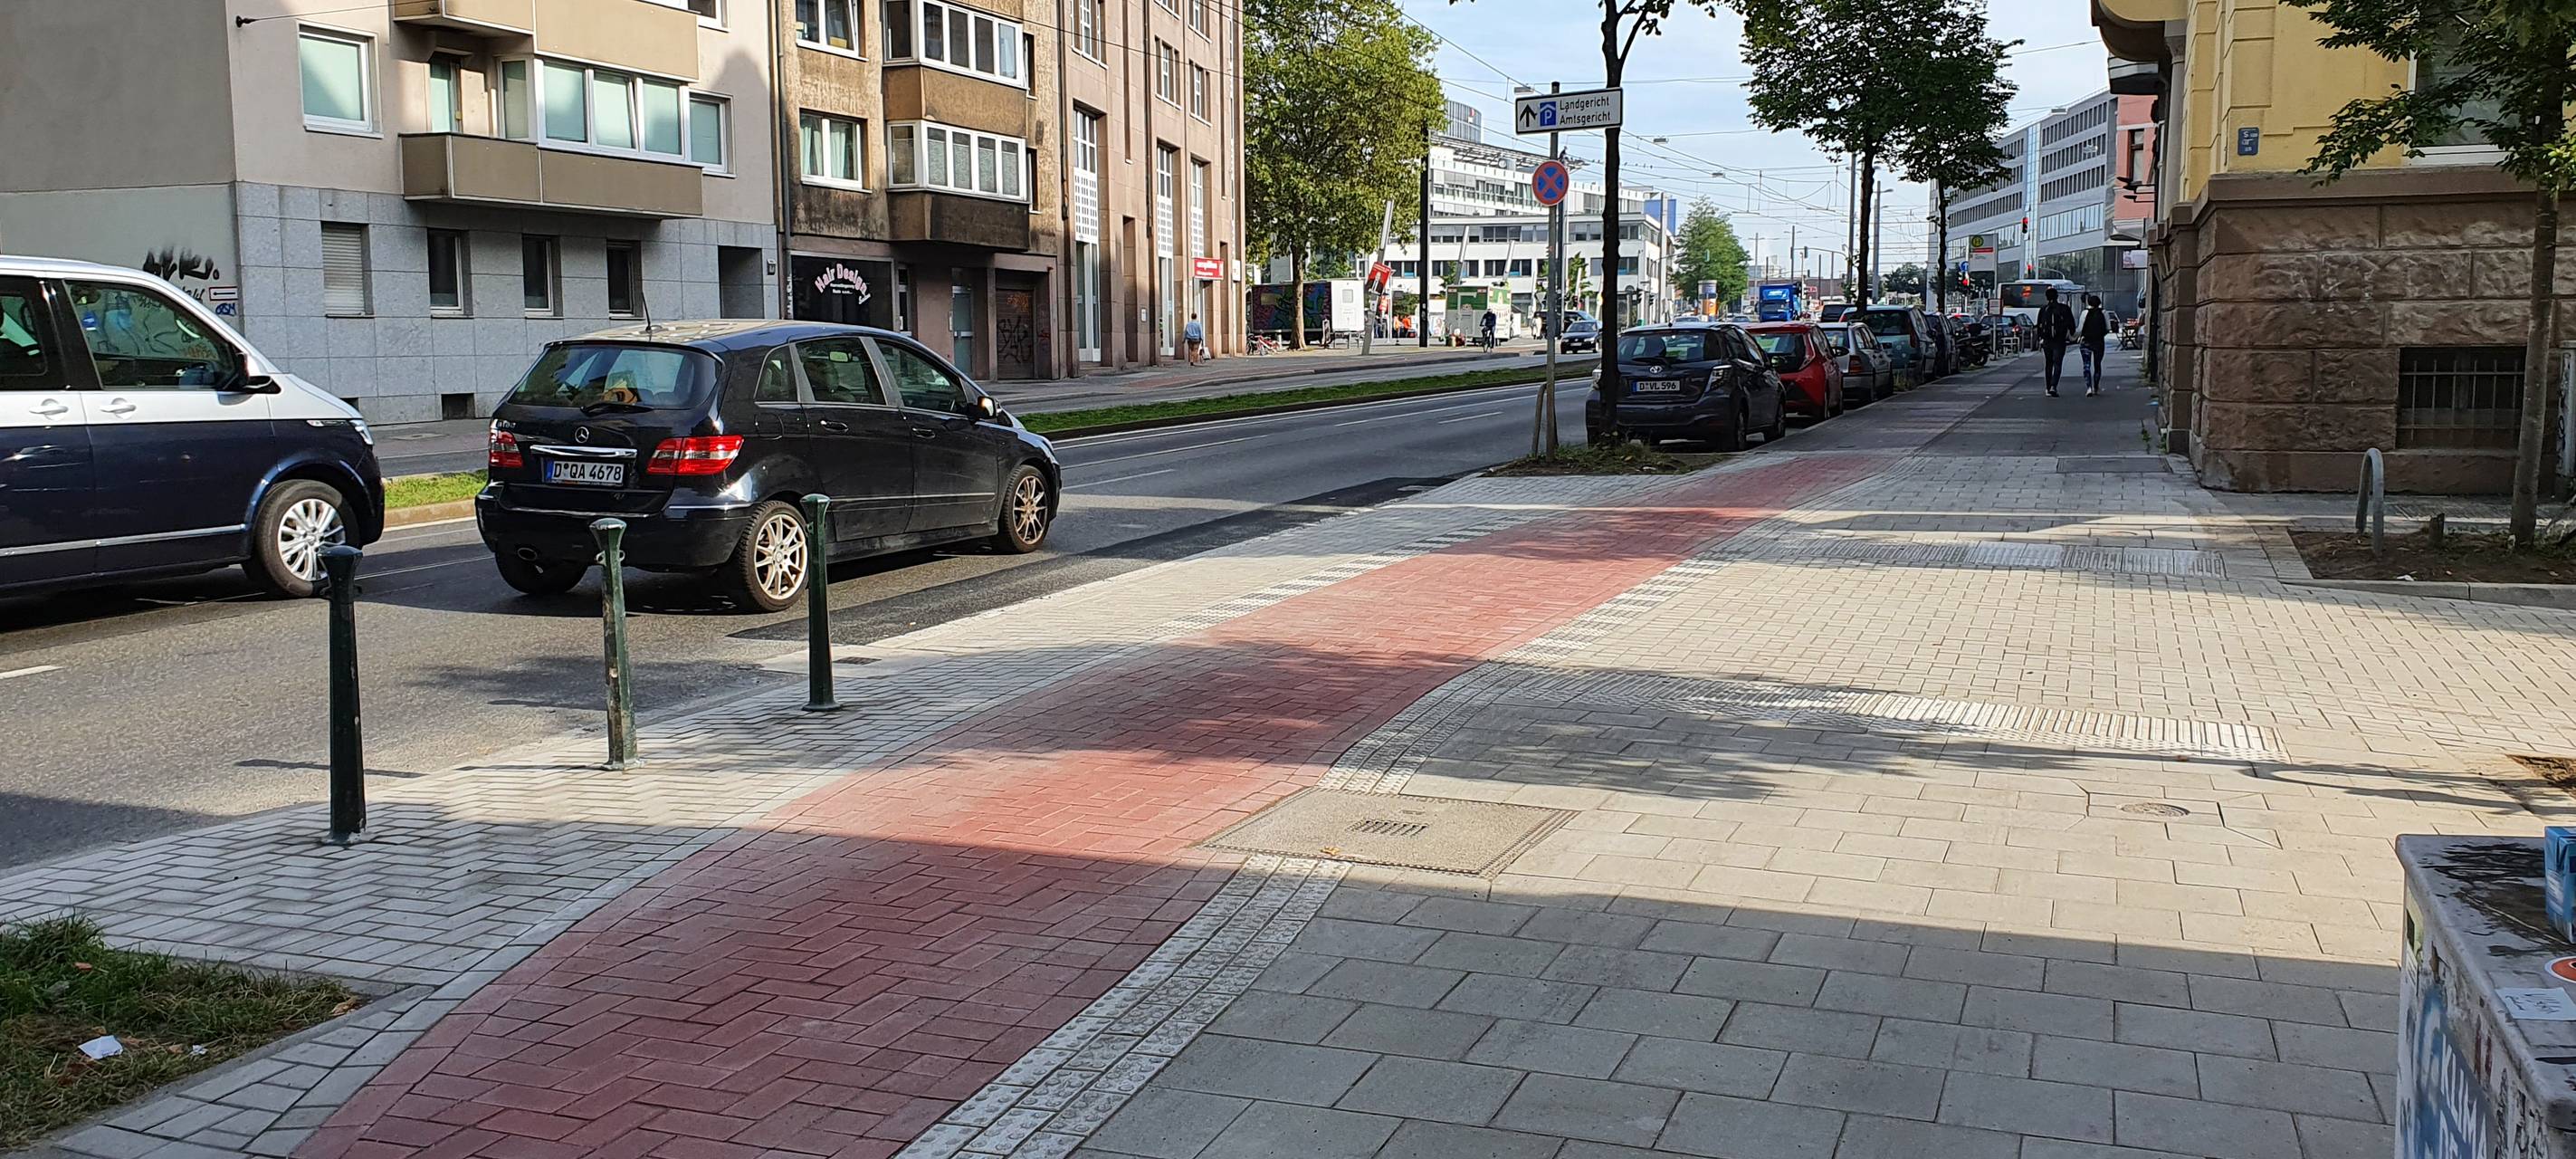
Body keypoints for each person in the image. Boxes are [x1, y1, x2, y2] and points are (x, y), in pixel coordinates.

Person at [2035, 287, 2077, 397]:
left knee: (2048, 364)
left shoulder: (2044, 309)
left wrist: (2040, 338)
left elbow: (2038, 326)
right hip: (2059, 340)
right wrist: (2071, 334)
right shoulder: (2064, 309)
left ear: (2046, 297)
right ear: (2057, 296)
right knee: (2057, 364)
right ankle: (2054, 386)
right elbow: (2071, 324)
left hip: (2047, 341)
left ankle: (2048, 388)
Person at [2077, 293, 2110, 397]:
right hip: (2099, 342)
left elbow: (2080, 329)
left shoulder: (2085, 313)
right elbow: (2108, 328)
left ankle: (2088, 387)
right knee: (2097, 365)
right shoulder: (2104, 312)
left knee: (2086, 365)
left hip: (2086, 342)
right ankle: (2096, 386)